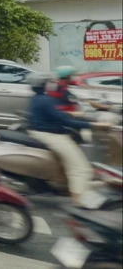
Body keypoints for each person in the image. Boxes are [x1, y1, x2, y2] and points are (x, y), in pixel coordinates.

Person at [26, 72, 111, 205]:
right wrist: (94, 125)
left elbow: (56, 114)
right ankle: (79, 201)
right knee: (81, 168)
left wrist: (71, 113)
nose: (53, 84)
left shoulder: (38, 98)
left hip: (45, 131)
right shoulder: (46, 99)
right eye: (50, 82)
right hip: (53, 135)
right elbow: (66, 121)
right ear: (45, 84)